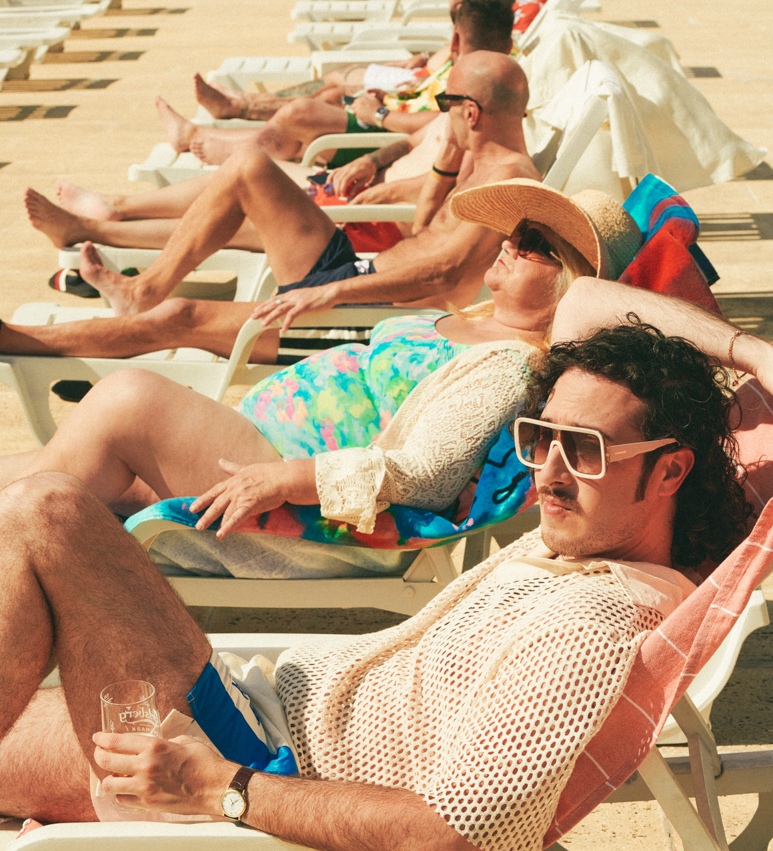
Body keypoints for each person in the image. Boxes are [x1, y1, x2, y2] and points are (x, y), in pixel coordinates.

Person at [0, 323, 754, 851]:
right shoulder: (588, 540)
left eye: (583, 450)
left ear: (671, 471)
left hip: (256, 774)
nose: (547, 475)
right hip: (251, 718)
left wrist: (219, 786)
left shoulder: (594, 628)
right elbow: (583, 299)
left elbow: (448, 841)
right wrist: (747, 350)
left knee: (50, 509)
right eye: (538, 439)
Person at [0, 181, 640, 580]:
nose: (511, 242)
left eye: (536, 245)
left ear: (571, 285)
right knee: (56, 465)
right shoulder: (478, 320)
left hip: (302, 501)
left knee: (127, 401)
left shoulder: (508, 367)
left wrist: (286, 479)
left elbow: (426, 475)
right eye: (517, 231)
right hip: (261, 450)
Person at [25, 49, 539, 323]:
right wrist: (445, 170)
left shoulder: (511, 183)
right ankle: (139, 280)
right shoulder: (476, 162)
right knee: (248, 166)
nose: (440, 113)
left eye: (447, 103)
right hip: (362, 269)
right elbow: (426, 232)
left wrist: (332, 291)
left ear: (471, 112)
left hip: (370, 302)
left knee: (188, 306)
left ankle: (137, 283)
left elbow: (445, 274)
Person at [155, 0, 514, 167]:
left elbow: (441, 125)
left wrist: (379, 114)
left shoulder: (474, 81)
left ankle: (225, 145)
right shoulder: (495, 63)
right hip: (395, 107)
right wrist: (415, 68)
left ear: (456, 38)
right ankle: (219, 124)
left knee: (301, 113)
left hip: (389, 132)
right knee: (328, 93)